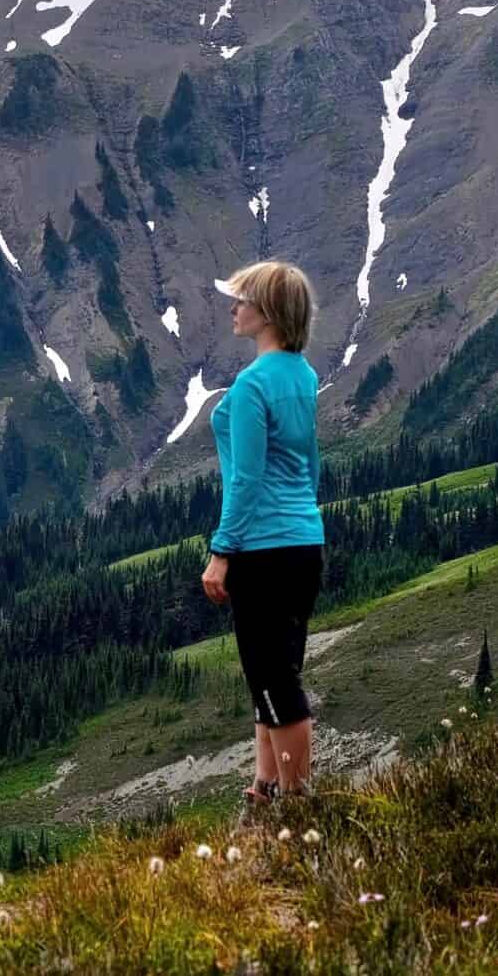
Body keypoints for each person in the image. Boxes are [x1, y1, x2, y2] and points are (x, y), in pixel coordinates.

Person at [197, 260, 325, 805]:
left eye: (243, 300)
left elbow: (245, 480)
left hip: (262, 550)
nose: (234, 308)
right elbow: (309, 462)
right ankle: (266, 785)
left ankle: (295, 804)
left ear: (268, 313)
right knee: (277, 671)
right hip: (303, 543)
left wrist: (222, 551)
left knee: (272, 678)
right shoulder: (303, 375)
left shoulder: (252, 386)